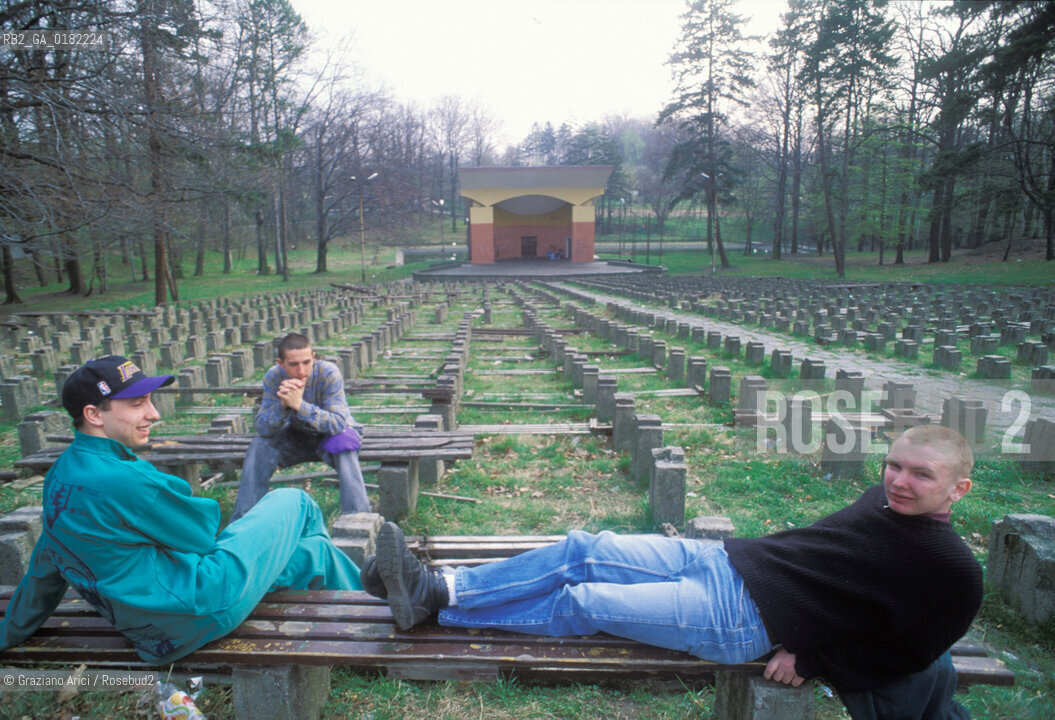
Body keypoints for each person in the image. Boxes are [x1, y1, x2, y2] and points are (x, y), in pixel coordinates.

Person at [364, 425, 982, 718]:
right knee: (583, 545)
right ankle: (440, 586)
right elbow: (825, 558)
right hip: (723, 560)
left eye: (920, 475)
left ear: (959, 488)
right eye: (895, 466)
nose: (899, 481)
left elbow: (910, 652)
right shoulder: (881, 503)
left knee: (584, 600)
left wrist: (817, 661)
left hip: (741, 620)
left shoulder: (951, 572)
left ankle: (437, 609)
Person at [0, 355, 362, 663]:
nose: (154, 414)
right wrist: (171, 490)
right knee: (293, 500)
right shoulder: (127, 480)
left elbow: (44, 567)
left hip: (151, 636)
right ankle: (369, 608)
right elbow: (203, 535)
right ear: (94, 414)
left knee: (312, 552)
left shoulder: (60, 476)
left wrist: (9, 632)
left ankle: (364, 601)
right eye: (138, 403)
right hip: (200, 608)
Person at [232, 332, 370, 520]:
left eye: (306, 362)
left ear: (313, 357)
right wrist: (282, 405)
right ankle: (244, 520)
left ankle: (358, 519)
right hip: (297, 436)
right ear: (280, 363)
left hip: (330, 436)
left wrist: (300, 406)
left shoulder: (328, 373)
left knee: (344, 445)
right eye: (293, 364)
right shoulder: (273, 377)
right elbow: (263, 427)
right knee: (259, 446)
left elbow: (338, 423)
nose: (301, 370)